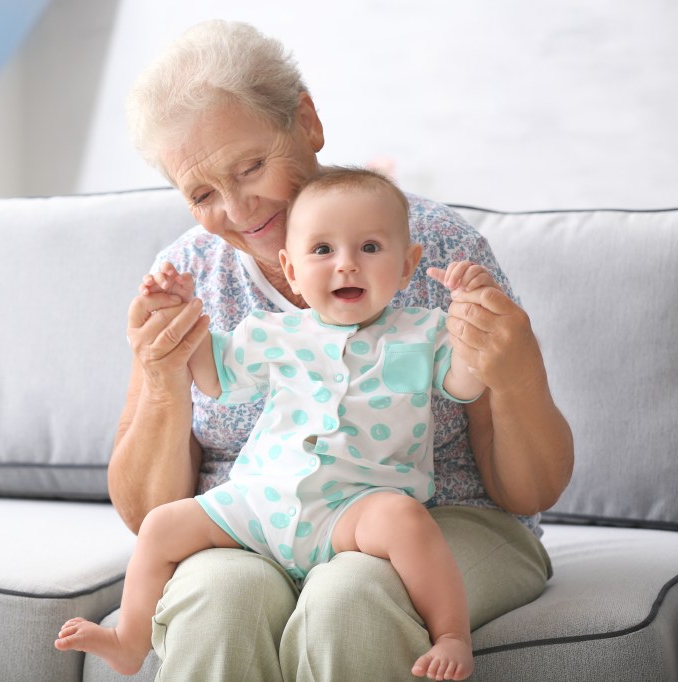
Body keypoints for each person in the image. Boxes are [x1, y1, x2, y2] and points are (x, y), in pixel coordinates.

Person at [93, 19, 573, 681]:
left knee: (350, 597)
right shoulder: (188, 277)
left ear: (307, 122)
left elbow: (530, 489)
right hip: (259, 524)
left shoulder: (427, 248)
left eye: (251, 166)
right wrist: (163, 375)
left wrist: (516, 374)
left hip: (438, 522)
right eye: (202, 194)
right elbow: (149, 516)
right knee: (216, 601)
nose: (237, 209)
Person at [56, 167, 492, 680]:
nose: (347, 265)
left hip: (352, 509)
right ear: (291, 268)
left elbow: (464, 383)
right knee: (162, 525)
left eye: (370, 248)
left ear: (407, 266)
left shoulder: (424, 332)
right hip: (260, 504)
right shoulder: (274, 333)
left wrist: (475, 324)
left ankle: (450, 634)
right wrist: (182, 315)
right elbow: (214, 375)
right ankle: (130, 639)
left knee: (406, 521)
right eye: (323, 250)